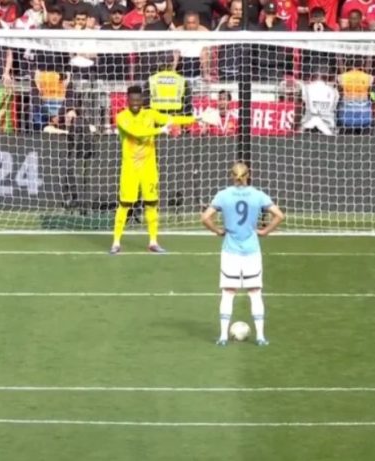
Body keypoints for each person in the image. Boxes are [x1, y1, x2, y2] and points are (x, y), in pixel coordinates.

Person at [201, 162, 284, 346]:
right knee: (255, 293)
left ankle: (223, 336)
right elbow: (279, 215)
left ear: (232, 175)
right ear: (249, 175)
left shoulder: (223, 195)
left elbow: (205, 217)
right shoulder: (257, 194)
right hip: (252, 251)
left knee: (228, 293)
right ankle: (261, 337)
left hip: (230, 251)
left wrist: (217, 231)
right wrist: (265, 231)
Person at [111, 85, 200, 254]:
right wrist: (160, 130)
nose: (136, 103)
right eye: (132, 100)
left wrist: (198, 119)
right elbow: (137, 132)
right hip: (130, 168)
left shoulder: (150, 114)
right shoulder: (122, 117)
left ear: (142, 101)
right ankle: (116, 242)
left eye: (139, 100)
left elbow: (171, 119)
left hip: (148, 168)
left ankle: (153, 241)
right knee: (125, 204)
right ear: (127, 100)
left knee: (151, 203)